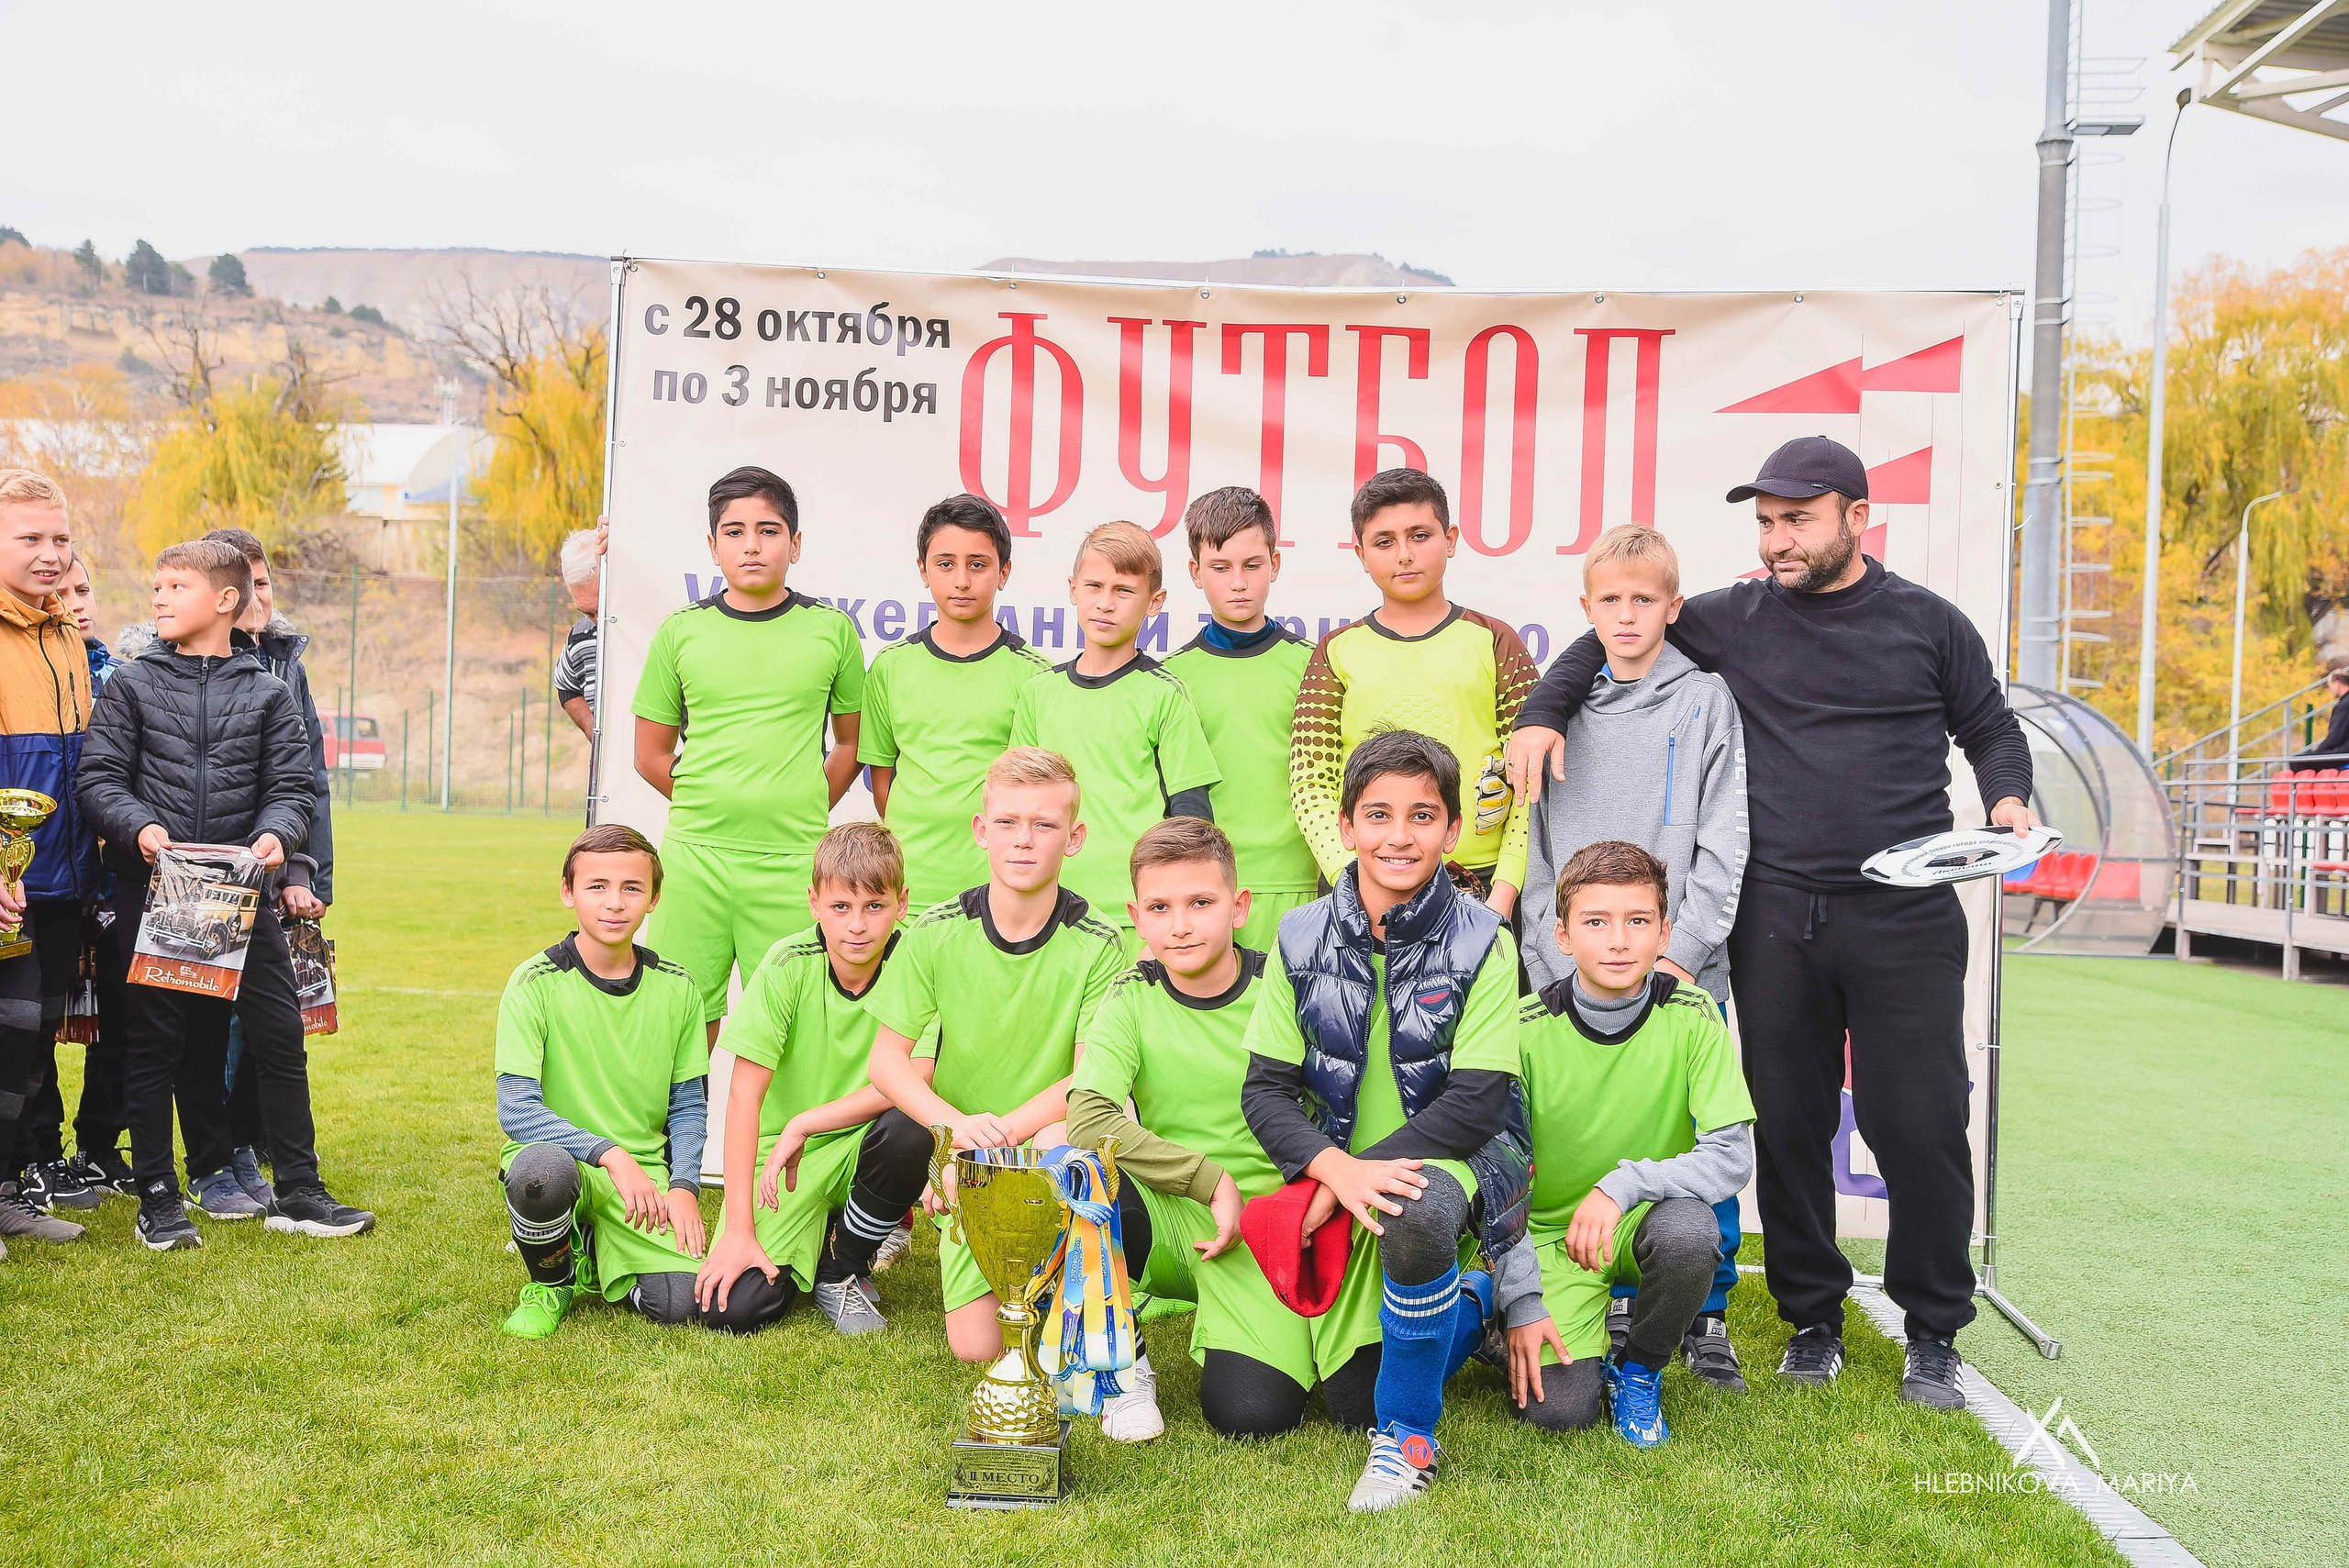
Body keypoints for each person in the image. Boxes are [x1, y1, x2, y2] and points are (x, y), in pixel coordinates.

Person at [1507, 435, 2037, 1410]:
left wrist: (2007, 799)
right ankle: (1813, 1317)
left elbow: (1991, 728)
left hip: (1904, 915)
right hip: (1775, 914)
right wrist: (1544, 709)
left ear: (1856, 519)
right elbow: (1615, 625)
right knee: (1786, 1121)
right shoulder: (1733, 616)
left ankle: (1932, 1330)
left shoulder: (1931, 624)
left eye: (1797, 519)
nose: (1776, 538)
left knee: (1916, 1121)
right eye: (1764, 521)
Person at [1240, 729, 1529, 1513]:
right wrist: (1336, 1171)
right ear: (1344, 826)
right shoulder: (1299, 934)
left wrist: (1361, 1177)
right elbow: (1263, 1092)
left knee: (1417, 1203)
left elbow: (1477, 1101)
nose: (1399, 835)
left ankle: (1406, 1441)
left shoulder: (1485, 940)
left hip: (1452, 1159)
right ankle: (1474, 1303)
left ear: (1454, 827)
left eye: (1422, 815)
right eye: (1378, 814)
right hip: (1341, 1170)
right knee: (1313, 1404)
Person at [78, 538, 373, 1251]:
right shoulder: (132, 685)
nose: (159, 597)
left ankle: (300, 1190)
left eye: (175, 586)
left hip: (244, 896)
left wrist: (276, 837)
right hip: (159, 892)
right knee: (157, 1043)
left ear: (226, 601)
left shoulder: (270, 692)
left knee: (278, 1036)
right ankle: (158, 1198)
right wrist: (143, 829)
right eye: (156, 585)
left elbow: (293, 789)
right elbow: (98, 779)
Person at [1520, 523, 1751, 1386]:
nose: (1626, 615)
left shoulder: (1705, 703)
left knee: (1694, 1133)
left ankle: (1707, 1310)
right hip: (1571, 973)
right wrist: (1551, 966)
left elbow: (1726, 841)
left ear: (1673, 607)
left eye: (1643, 600)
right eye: (1609, 600)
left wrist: (1684, 952)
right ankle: (1579, 1286)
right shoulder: (1556, 714)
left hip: (1679, 969)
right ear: (1586, 610)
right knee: (1564, 1134)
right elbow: (1537, 851)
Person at [861, 750, 1135, 1403]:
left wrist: (1003, 1135)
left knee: (1066, 1135)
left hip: (1040, 1139)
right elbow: (886, 1062)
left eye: (1043, 825)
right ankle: (1021, 1284)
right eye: (1008, 821)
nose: (1023, 838)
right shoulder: (935, 932)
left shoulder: (1098, 941)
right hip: (968, 1158)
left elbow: (1089, 1076)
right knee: (975, 1346)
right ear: (982, 828)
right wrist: (956, 1134)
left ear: (1074, 839)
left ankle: (1084, 1298)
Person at [1070, 817, 1330, 1443]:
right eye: (1160, 906)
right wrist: (1205, 1179)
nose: (1179, 923)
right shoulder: (1130, 995)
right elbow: (1088, 1114)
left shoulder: (1288, 988)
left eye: (1200, 903)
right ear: (1136, 915)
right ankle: (1119, 1361)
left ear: (1238, 907)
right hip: (1172, 1211)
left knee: (1253, 1414)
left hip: (1267, 1225)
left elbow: (1338, 1108)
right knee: (1077, 1169)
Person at [1505, 840, 1756, 1447]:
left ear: (1663, 931)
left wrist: (1623, 1184)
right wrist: (1520, 1297)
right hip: (1554, 1240)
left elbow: (1732, 1155)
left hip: (1641, 1217)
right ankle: (1500, 1325)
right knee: (1560, 1411)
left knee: (1693, 1231)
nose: (1618, 940)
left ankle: (1640, 1368)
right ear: (1562, 934)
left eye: (1637, 921)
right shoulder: (1525, 1028)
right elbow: (1499, 1178)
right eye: (1597, 921)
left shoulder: (1696, 1015)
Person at [631, 466, 865, 1039]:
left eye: (768, 529)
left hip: (792, 861)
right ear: (713, 547)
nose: (752, 545)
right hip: (696, 860)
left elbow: (854, 743)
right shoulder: (680, 632)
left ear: (796, 543)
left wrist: (799, 801)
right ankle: (672, 1135)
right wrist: (712, 801)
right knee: (681, 1025)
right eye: (734, 532)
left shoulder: (832, 631)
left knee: (791, 1028)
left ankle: (782, 1136)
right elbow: (648, 753)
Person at [692, 822, 931, 1338]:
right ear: (814, 903)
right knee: (731, 1310)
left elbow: (919, 1078)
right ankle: (814, 1230)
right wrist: (738, 1228)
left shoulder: (919, 961)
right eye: (841, 907)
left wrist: (808, 1121)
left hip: (864, 1145)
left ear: (902, 902)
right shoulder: (786, 964)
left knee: (911, 1128)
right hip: (784, 1162)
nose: (857, 926)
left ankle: (842, 1266)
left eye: (875, 906)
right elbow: (743, 1098)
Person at [493, 825, 718, 1338]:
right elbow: (517, 1110)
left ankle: (592, 1247)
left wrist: (683, 1186)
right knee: (540, 1176)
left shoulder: (680, 988)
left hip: (642, 1175)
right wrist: (609, 1154)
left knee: (681, 1303)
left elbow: (689, 1104)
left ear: (654, 899)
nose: (614, 903)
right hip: (570, 1159)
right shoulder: (534, 983)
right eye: (597, 886)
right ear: (568, 892)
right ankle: (552, 1282)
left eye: (631, 888)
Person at [1291, 468, 1540, 917]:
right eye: (1384, 541)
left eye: (1419, 535)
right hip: (1366, 891)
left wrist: (1504, 892)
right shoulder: (1335, 652)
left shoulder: (1495, 641)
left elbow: (1529, 773)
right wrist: (1354, 881)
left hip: (1481, 888)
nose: (1404, 555)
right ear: (1361, 553)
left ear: (1451, 540)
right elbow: (1311, 782)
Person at [191, 528, 332, 1219]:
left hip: (271, 873)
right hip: (202, 876)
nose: (261, 596)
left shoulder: (286, 666)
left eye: (267, 581)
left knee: (267, 1025)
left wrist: (304, 867)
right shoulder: (173, 666)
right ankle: (207, 1156)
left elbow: (308, 781)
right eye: (249, 582)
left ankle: (249, 1146)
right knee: (201, 1023)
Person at [1008, 522, 1219, 954]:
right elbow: (1016, 808)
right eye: (1094, 586)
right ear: (1073, 589)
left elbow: (1191, 821)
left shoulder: (1165, 694)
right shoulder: (1038, 693)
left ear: (1154, 602)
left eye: (1123, 591)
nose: (1105, 603)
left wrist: (1161, 917)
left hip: (1134, 921)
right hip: (1049, 915)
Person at [860, 495, 1051, 913]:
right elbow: (882, 780)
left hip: (998, 891)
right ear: (923, 571)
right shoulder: (890, 667)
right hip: (907, 887)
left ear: (1004, 573)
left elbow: (1038, 790)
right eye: (945, 564)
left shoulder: (1036, 677)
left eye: (978, 565)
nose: (961, 580)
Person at [0, 471, 101, 1249]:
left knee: (32, 1047)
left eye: (59, 538)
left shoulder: (67, 635)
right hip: (9, 887)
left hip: (63, 883)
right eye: (29, 537)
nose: (49, 554)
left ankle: (7, 1190)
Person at [1163, 487, 1319, 953]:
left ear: (1275, 562)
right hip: (1208, 888)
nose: (1238, 583)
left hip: (1300, 885)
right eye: (1220, 568)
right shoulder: (1172, 678)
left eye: (1252, 566)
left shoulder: (1313, 666)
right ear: (1195, 571)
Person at [552, 528, 601, 745]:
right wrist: (593, 729)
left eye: (602, 609)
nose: (598, 621)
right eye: (588, 613)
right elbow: (565, 685)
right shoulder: (580, 637)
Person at [2288, 667, 2349, 766]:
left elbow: (2335, 737)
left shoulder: (2344, 705)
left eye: (2330, 686)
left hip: (2343, 752)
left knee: (2297, 762)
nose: (2330, 691)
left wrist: (2318, 751)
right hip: (2344, 750)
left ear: (2337, 682)